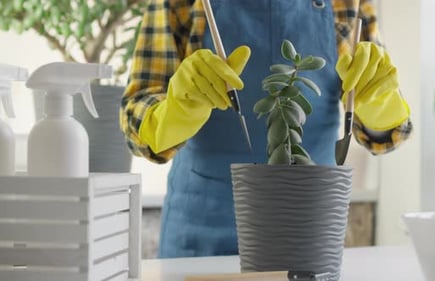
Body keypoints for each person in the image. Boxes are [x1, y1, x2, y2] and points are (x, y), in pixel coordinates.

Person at [120, 0, 412, 258]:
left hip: (311, 226)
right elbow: (137, 110)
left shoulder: (346, 3)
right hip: (201, 227)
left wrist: (380, 103)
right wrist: (174, 112)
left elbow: (383, 134)